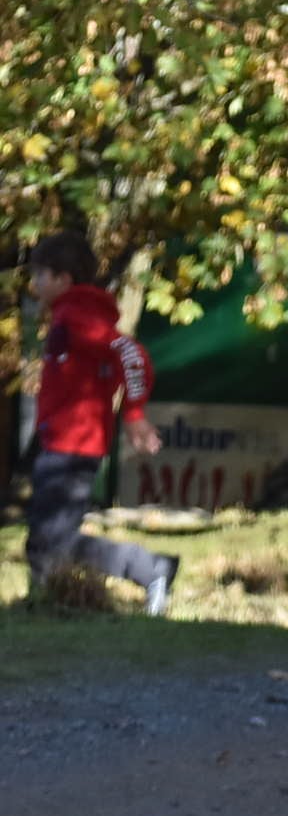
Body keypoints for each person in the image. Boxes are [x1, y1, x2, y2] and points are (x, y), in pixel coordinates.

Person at [19, 234, 175, 614]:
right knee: (43, 539)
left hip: (74, 445)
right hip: (62, 441)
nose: (34, 283)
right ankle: (44, 604)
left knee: (53, 539)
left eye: (41, 275)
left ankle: (149, 568)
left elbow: (132, 355)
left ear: (64, 279)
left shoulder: (77, 317)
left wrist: (135, 414)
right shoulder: (69, 315)